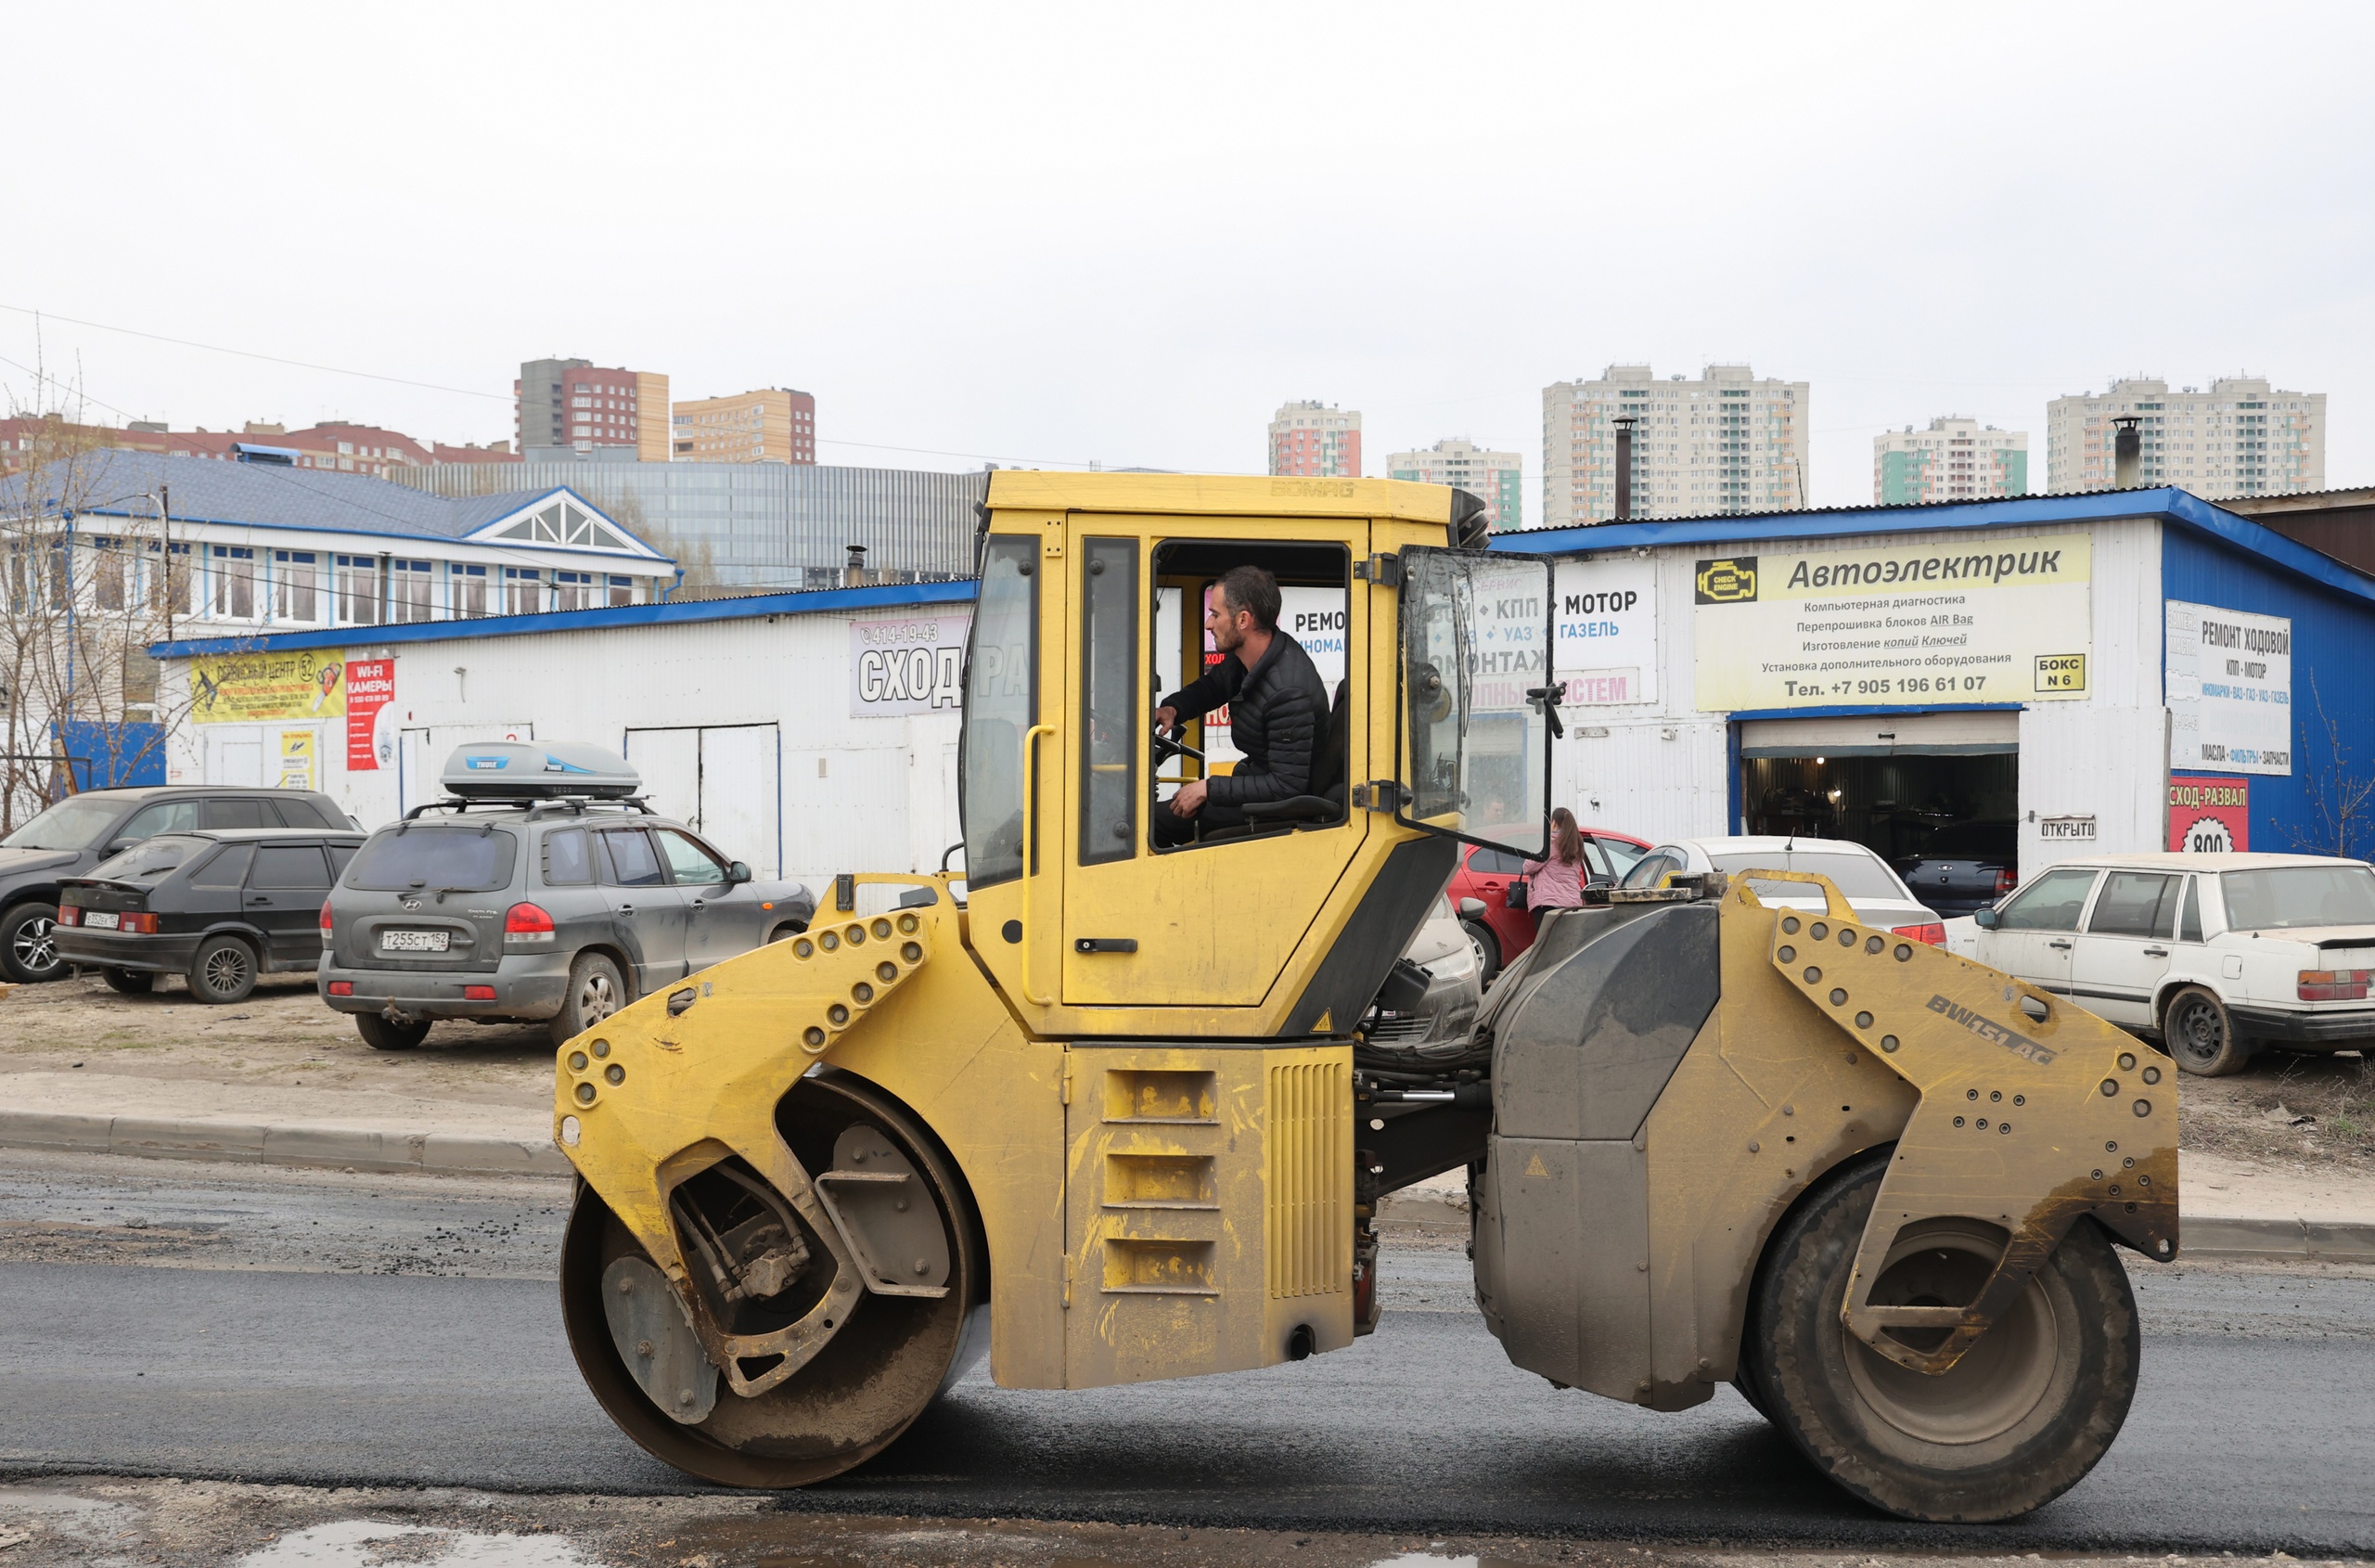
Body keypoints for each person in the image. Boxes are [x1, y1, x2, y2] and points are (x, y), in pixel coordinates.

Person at [1152, 564, 1329, 848]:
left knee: (1149, 825)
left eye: (1215, 614)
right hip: (1254, 784)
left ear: (1243, 619)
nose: (1208, 624)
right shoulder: (1256, 656)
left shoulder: (1289, 692)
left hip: (1272, 807)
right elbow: (1215, 686)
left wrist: (1209, 788)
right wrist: (1173, 709)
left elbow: (1287, 786)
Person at [1521, 807, 1589, 925]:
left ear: (1553, 823)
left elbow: (1528, 867)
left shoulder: (1550, 843)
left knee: (1547, 941)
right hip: (1571, 903)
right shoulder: (1576, 845)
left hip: (1549, 902)